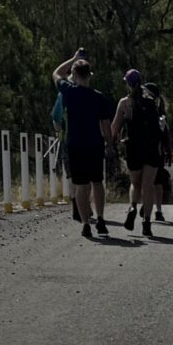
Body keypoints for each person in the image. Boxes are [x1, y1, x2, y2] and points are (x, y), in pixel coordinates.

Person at [52, 49, 115, 239]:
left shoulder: (69, 92)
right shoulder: (98, 97)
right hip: (94, 144)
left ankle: (86, 222)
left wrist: (73, 58)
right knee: (97, 183)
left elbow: (56, 73)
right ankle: (101, 218)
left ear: (75, 75)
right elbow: (105, 124)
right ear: (90, 76)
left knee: (81, 186)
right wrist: (109, 144)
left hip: (75, 145)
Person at [113, 69, 166, 235]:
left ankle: (133, 207)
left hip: (134, 148)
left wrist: (110, 142)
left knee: (135, 184)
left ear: (128, 84)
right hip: (151, 148)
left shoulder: (124, 103)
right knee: (148, 186)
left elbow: (115, 127)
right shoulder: (153, 101)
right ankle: (147, 223)